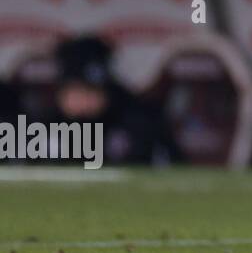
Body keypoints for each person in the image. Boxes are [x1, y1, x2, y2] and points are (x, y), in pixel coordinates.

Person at [50, 34, 171, 164]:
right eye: (78, 91)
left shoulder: (137, 118)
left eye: (93, 92)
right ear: (61, 94)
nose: (86, 100)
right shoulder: (46, 125)